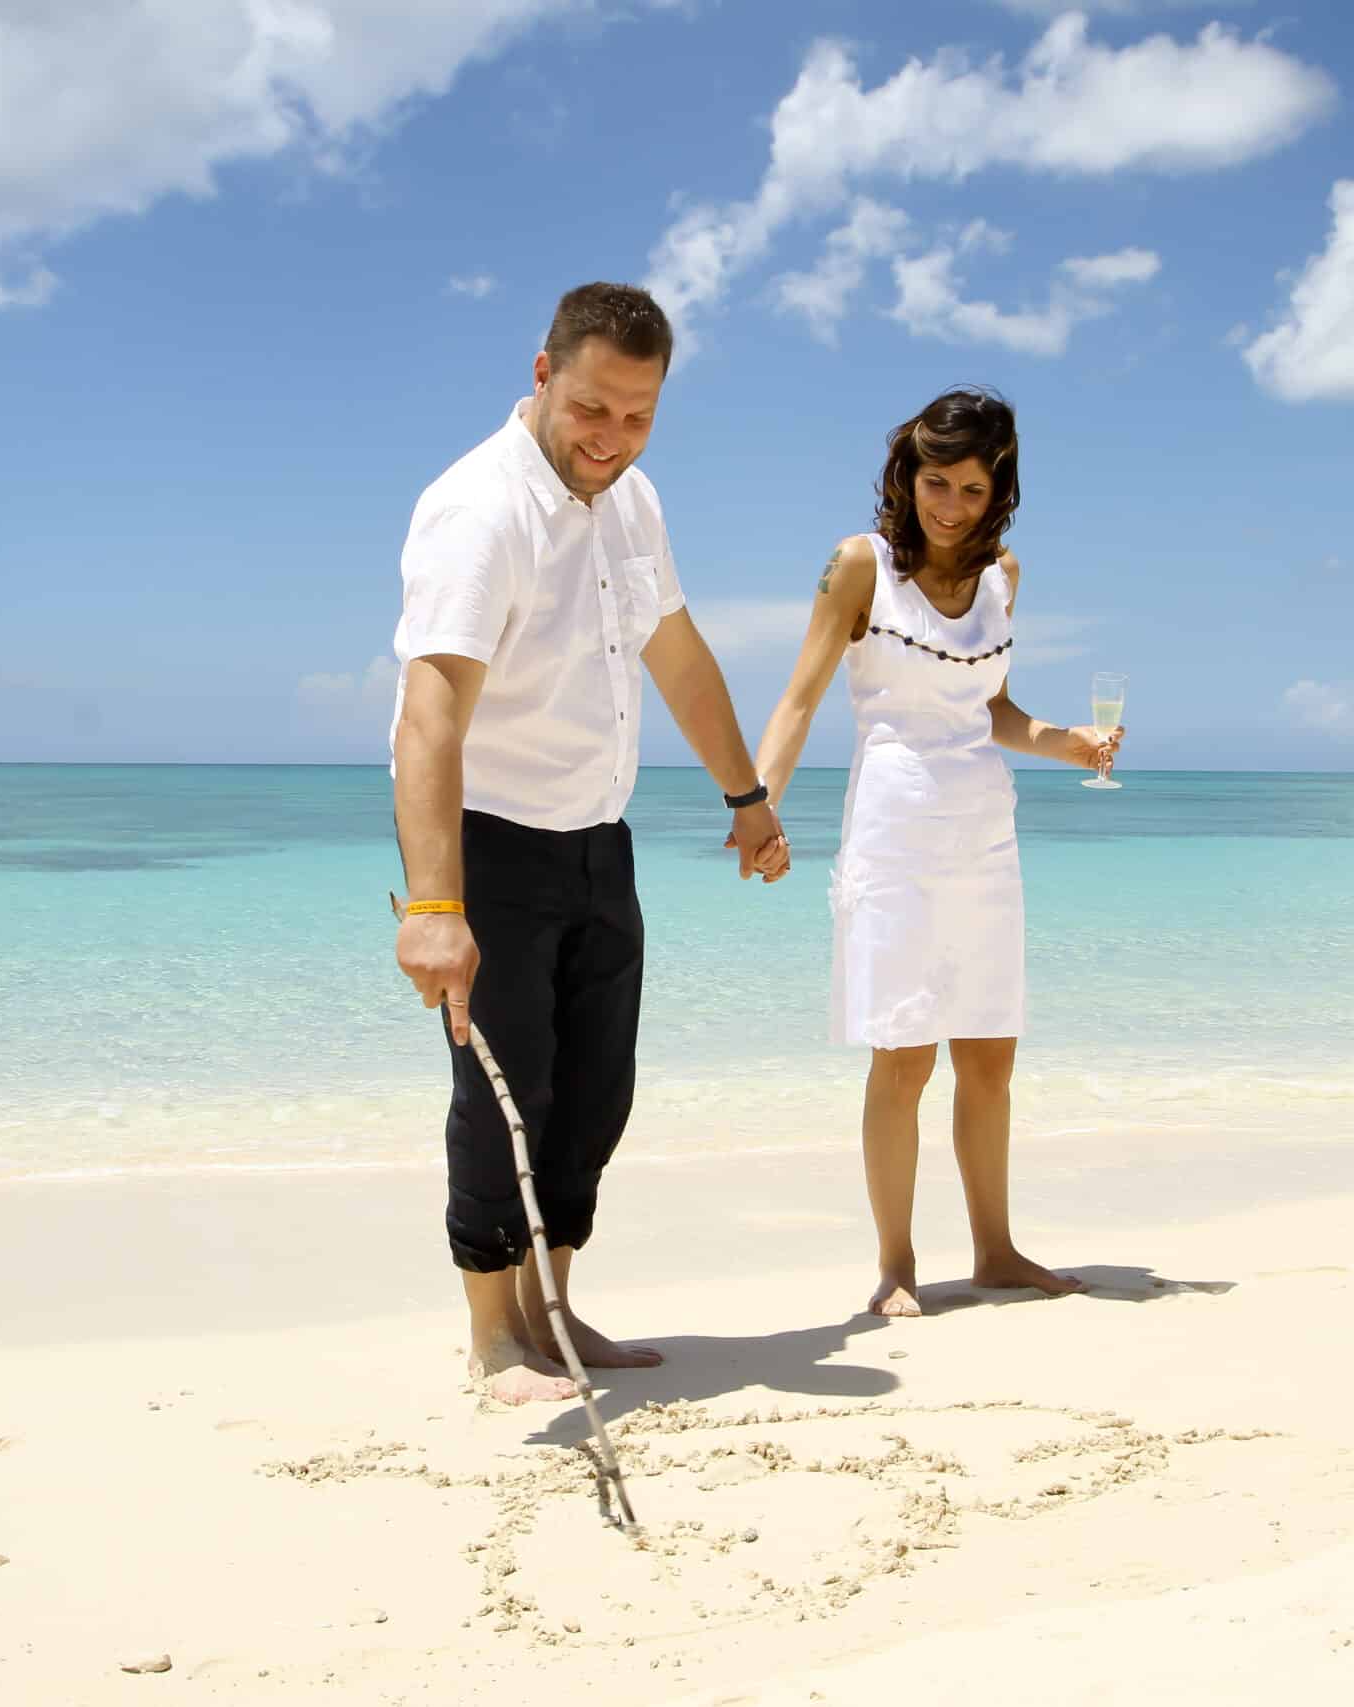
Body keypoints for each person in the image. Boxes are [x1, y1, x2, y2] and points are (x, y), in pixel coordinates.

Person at [389, 282, 790, 1405]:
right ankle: (492, 1337)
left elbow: (673, 650)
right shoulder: (479, 510)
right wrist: (433, 909)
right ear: (541, 375)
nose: (612, 438)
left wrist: (746, 796)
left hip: (596, 839)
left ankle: (555, 1311)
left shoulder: (633, 500)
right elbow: (429, 716)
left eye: (639, 415)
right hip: (492, 843)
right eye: (592, 409)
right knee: (502, 1091)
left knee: (592, 1092)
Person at [747, 386, 1120, 1318]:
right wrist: (757, 805)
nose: (948, 504)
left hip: (984, 829)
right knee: (903, 1058)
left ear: (1000, 491)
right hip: (896, 827)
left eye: (970, 487)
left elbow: (988, 708)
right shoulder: (860, 566)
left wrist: (1064, 740)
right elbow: (799, 697)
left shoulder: (1004, 577)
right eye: (933, 480)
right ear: (907, 473)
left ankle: (995, 1250)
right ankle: (898, 1265)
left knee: (990, 1053)